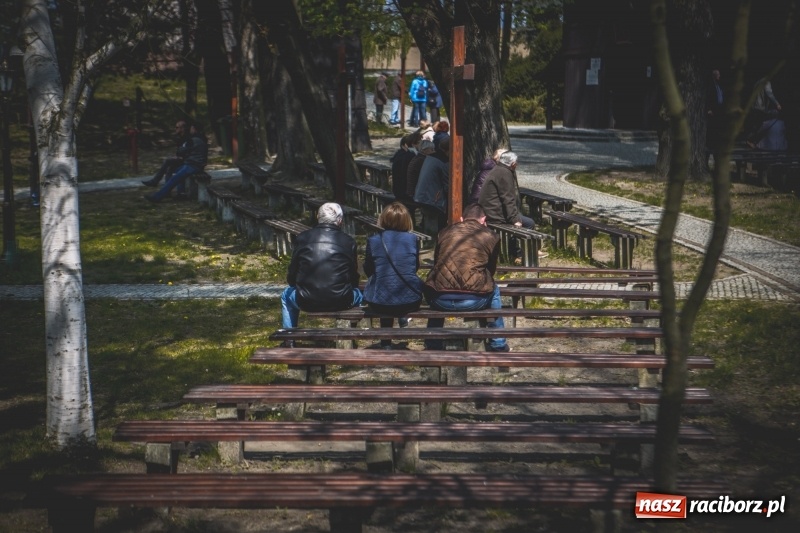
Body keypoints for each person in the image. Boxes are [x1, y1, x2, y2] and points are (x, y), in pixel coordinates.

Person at [423, 203, 509, 352]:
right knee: (494, 289)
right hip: (474, 300)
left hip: (440, 300)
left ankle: (432, 342)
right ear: (483, 220)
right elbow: (491, 269)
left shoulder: (444, 232)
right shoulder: (491, 236)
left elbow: (437, 262)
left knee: (437, 284)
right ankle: (498, 342)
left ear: (462, 219)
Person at [280, 203, 363, 344]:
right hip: (342, 300)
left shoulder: (302, 238)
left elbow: (293, 270)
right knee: (360, 295)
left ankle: (289, 339)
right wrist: (352, 286)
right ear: (340, 220)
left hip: (306, 300)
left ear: (318, 217)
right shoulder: (348, 241)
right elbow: (353, 274)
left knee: (286, 296)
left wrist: (294, 283)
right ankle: (350, 334)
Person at [363, 203, 424, 349]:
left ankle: (386, 343)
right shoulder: (413, 240)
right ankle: (401, 320)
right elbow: (414, 267)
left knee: (385, 290)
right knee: (392, 290)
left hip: (380, 303)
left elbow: (368, 269)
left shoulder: (373, 240)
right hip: (410, 300)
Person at [478, 151, 543, 263]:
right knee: (529, 223)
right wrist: (514, 219)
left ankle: (517, 253)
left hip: (488, 211)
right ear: (513, 164)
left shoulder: (497, 169)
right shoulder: (504, 173)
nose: (517, 165)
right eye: (516, 162)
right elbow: (507, 199)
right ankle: (521, 254)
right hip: (495, 214)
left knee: (521, 220)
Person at [144, 122, 208, 203]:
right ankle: (180, 193)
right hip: (195, 164)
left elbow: (182, 151)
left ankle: (156, 197)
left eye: (191, 128)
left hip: (193, 165)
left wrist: (181, 151)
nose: (190, 130)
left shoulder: (193, 139)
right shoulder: (201, 138)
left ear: (194, 129)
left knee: (175, 178)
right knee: (172, 170)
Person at [414, 137, 450, 232]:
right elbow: (448, 186)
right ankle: (435, 238)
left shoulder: (430, 158)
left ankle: (429, 235)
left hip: (421, 195)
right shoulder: (443, 162)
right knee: (438, 222)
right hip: (432, 199)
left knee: (429, 220)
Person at [142, 121, 191, 187]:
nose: (175, 129)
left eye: (177, 127)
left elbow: (189, 152)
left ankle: (155, 181)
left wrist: (179, 157)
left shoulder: (188, 138)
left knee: (168, 161)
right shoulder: (180, 138)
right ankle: (167, 189)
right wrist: (176, 156)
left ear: (182, 129)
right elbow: (180, 152)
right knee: (169, 167)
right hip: (180, 159)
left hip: (186, 161)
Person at [747, 78, 786, 151]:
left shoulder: (757, 82)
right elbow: (769, 94)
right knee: (762, 126)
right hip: (760, 107)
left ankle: (752, 142)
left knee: (756, 125)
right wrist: (777, 104)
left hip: (754, 107)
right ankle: (752, 141)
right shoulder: (766, 82)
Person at [390, 134, 416, 203]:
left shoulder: (398, 155)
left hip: (398, 191)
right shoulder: (409, 156)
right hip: (405, 192)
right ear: (406, 145)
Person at [706, 69, 724, 155]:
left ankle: (715, 145)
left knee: (717, 128)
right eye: (718, 75)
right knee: (712, 128)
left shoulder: (718, 85)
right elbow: (708, 97)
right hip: (713, 109)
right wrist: (708, 109)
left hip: (718, 109)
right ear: (715, 75)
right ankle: (711, 145)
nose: (719, 76)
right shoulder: (711, 84)